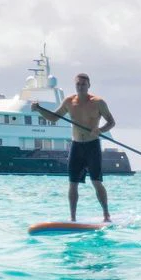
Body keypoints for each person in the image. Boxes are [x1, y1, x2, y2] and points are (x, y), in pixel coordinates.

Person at [33, 72, 115, 222]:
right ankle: (72, 218)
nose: (80, 86)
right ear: (75, 85)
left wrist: (100, 130)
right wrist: (39, 109)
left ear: (89, 85)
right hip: (76, 146)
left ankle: (106, 215)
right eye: (78, 84)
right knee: (72, 183)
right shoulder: (69, 102)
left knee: (96, 182)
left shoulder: (98, 102)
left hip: (92, 146)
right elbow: (54, 118)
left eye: (83, 84)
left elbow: (111, 122)